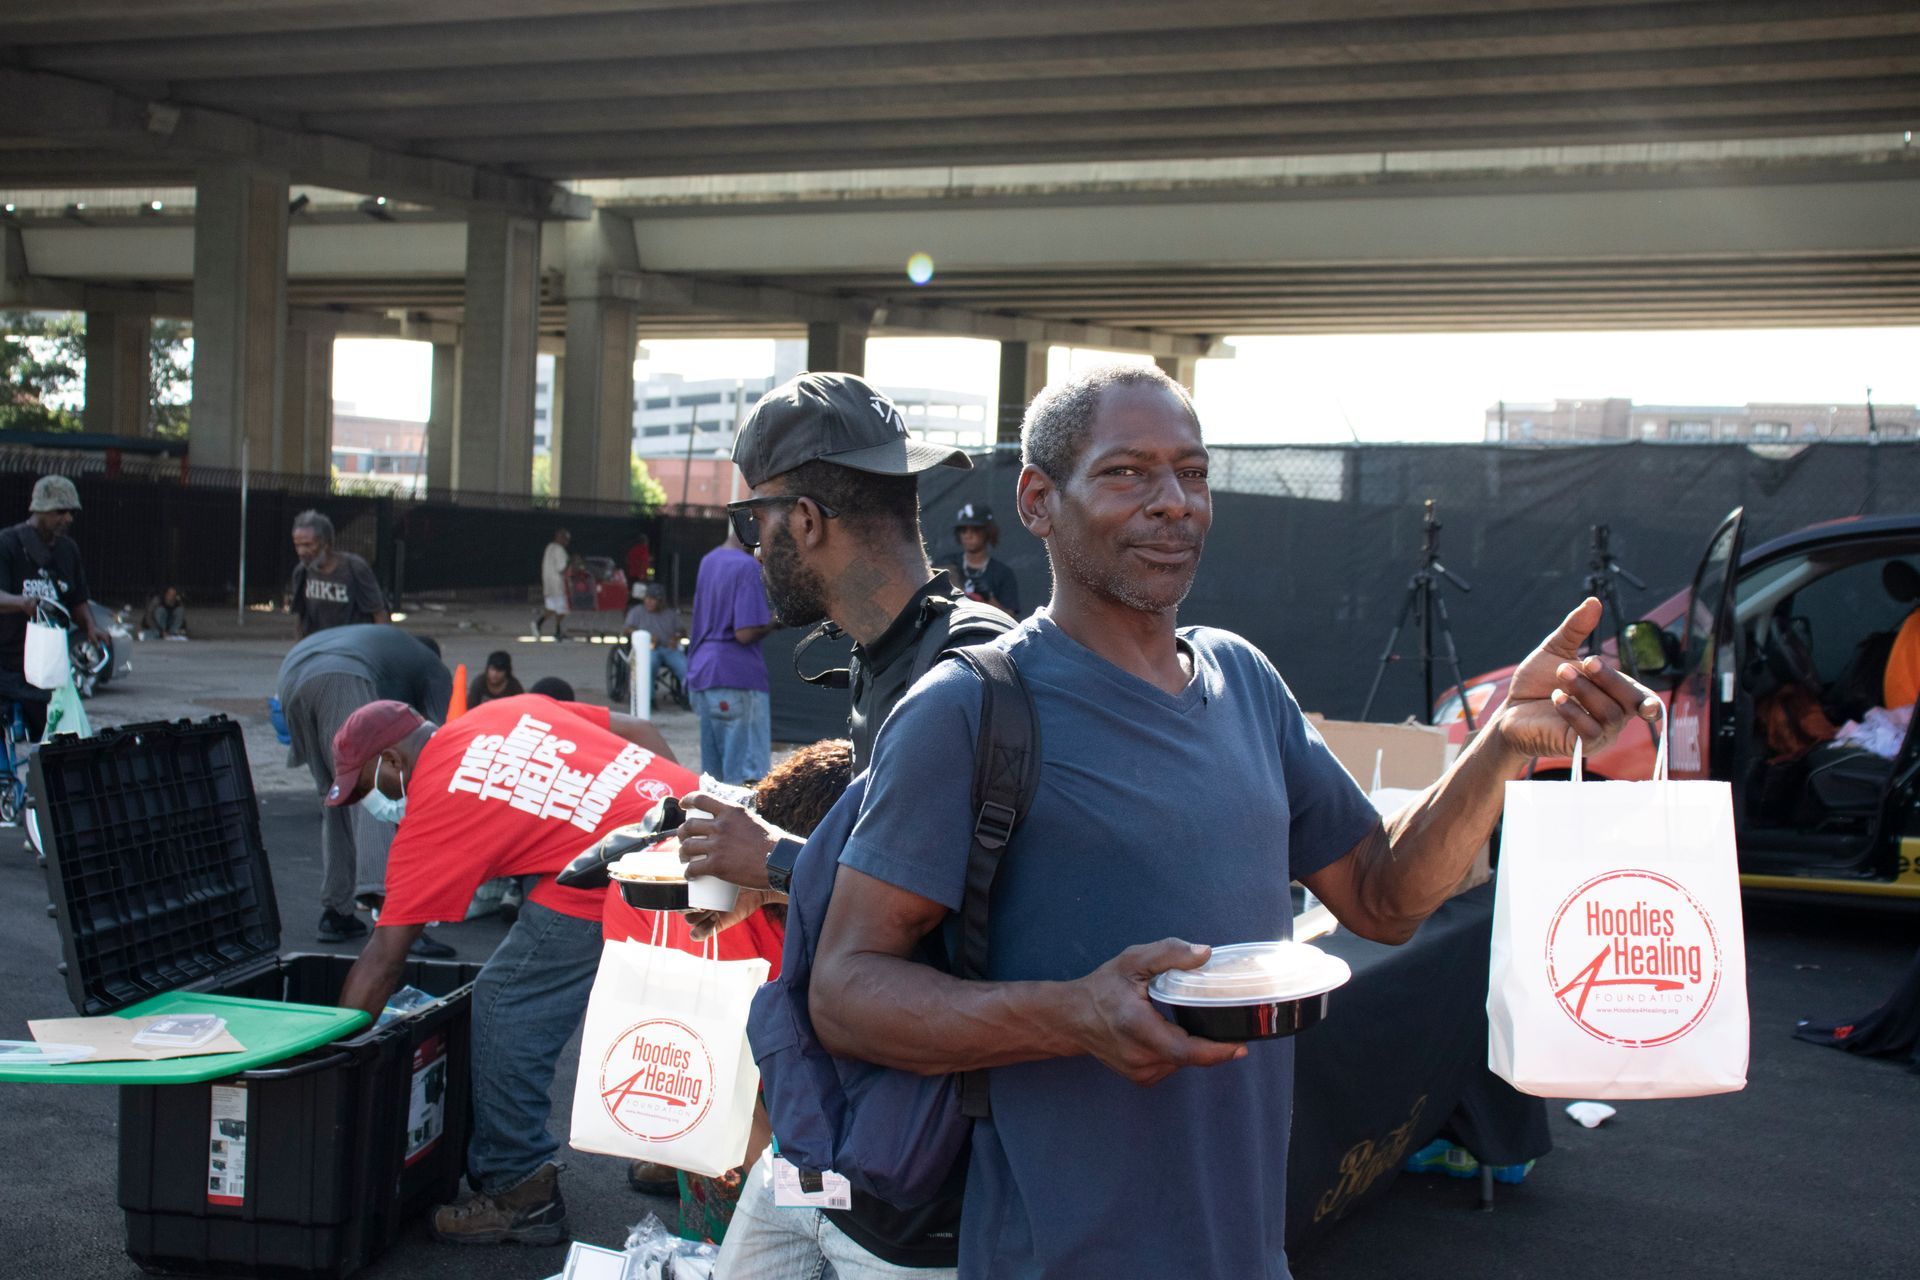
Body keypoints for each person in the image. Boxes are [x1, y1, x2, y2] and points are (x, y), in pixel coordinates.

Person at [802, 364, 1661, 1279]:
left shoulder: (1242, 680)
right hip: (1058, 1255)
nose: (1174, 503)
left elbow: (1382, 900)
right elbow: (846, 994)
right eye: (1128, 472)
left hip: (1247, 1250)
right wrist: (1073, 1015)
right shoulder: (968, 710)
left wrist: (1497, 747)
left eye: (1194, 473)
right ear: (1039, 500)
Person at [663, 371, 1006, 1280]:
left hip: (917, 1183)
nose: (752, 545)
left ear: (804, 519)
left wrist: (771, 858)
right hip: (829, 1141)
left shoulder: (967, 677)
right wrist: (782, 883)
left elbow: (976, 912)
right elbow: (891, 865)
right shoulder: (892, 655)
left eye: (752, 522)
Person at [331, 691, 690, 1247]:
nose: (368, 804)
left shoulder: (434, 803)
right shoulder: (501, 713)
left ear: (394, 762)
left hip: (621, 864)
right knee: (686, 997)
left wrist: (332, 1059)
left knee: (503, 1002)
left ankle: (520, 1190)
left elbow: (384, 957)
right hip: (696, 822)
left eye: (365, 788)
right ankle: (690, 1153)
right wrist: (672, 818)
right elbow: (640, 730)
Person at [277, 624, 454, 952]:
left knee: (336, 794)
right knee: (375, 789)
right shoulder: (433, 670)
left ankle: (337, 909)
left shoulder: (387, 652)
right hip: (339, 675)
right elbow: (443, 737)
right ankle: (391, 917)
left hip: (291, 677)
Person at [0, 475, 109, 740]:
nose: (68, 518)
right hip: (8, 665)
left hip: (50, 667)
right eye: (60, 512)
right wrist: (22, 603)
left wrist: (91, 627)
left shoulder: (68, 550)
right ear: (39, 509)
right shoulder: (7, 544)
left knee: (65, 735)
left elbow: (77, 600)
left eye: (71, 512)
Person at [688, 527, 773, 784]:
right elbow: (745, 633)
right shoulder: (747, 567)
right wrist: (775, 622)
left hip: (703, 673)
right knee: (747, 779)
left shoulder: (709, 560)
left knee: (713, 782)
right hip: (737, 676)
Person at [289, 510, 387, 639]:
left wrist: (381, 648)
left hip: (352, 646)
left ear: (326, 543)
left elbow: (378, 613)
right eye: (297, 545)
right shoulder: (302, 572)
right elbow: (300, 616)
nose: (301, 551)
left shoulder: (355, 568)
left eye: (308, 545)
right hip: (317, 645)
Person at [938, 502, 1020, 617]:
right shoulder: (947, 563)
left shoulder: (1003, 574)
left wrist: (989, 598)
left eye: (975, 530)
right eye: (963, 530)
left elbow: (1012, 620)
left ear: (988, 532)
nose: (968, 535)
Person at [625, 582, 688, 691]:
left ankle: (688, 695)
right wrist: (644, 636)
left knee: (684, 667)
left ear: (660, 602)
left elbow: (682, 631)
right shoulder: (637, 612)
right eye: (647, 598)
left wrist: (676, 637)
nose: (648, 602)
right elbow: (627, 629)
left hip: (669, 649)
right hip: (648, 649)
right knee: (649, 664)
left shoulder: (670, 614)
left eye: (653, 599)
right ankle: (649, 697)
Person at [534, 528, 571, 639]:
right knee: (563, 609)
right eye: (566, 539)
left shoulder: (549, 548)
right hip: (558, 585)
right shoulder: (560, 550)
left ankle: (538, 624)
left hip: (548, 584)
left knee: (551, 608)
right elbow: (562, 568)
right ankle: (558, 631)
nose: (567, 542)